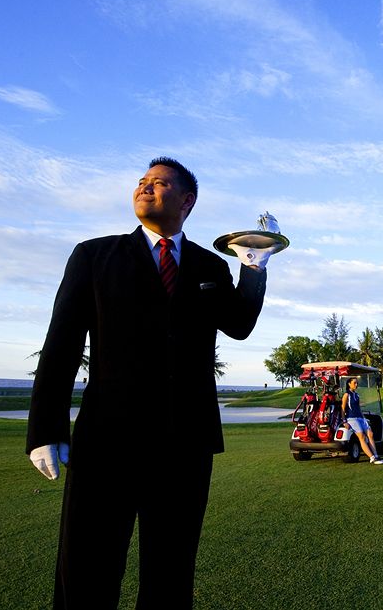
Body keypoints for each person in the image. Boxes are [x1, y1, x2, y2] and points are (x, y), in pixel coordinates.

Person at [26, 156, 272, 608]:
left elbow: (238, 325)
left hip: (186, 445)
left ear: (187, 200)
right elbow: (59, 346)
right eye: (142, 181)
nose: (146, 188)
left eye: (159, 183)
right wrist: (45, 430)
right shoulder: (93, 255)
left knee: (171, 573)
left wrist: (254, 268)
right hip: (106, 442)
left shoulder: (209, 266)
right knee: (85, 570)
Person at [341, 377, 383, 464]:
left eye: (357, 383)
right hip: (351, 418)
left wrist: (364, 418)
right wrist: (344, 421)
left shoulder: (357, 395)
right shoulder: (346, 395)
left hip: (360, 418)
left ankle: (376, 456)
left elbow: (358, 408)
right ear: (349, 384)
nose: (356, 384)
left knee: (370, 434)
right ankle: (372, 458)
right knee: (361, 436)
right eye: (354, 383)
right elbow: (342, 408)